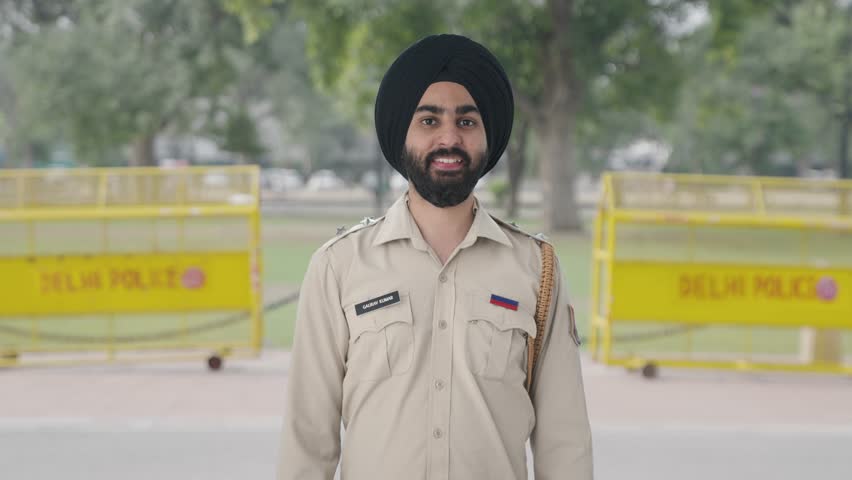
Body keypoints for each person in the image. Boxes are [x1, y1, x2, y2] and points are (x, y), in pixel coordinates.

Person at [278, 33, 593, 480]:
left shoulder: (535, 268)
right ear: (401, 134)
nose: (449, 138)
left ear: (488, 136)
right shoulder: (340, 266)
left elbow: (565, 440)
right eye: (429, 121)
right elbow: (307, 441)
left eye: (467, 122)